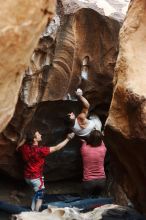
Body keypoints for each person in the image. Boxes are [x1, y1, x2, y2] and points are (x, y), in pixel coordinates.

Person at [17, 130, 74, 211]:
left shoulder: (24, 148)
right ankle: (36, 213)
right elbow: (57, 148)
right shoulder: (41, 151)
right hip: (36, 179)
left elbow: (18, 147)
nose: (40, 134)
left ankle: (33, 207)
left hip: (27, 177)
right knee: (40, 195)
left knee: (36, 192)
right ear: (34, 139)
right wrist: (68, 138)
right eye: (38, 134)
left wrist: (24, 139)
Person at [80, 130, 106, 197]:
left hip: (89, 181)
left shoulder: (84, 148)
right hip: (102, 181)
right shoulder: (103, 148)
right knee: (96, 200)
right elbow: (101, 141)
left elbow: (85, 141)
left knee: (85, 200)